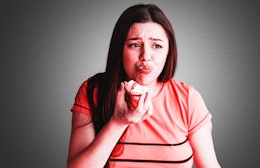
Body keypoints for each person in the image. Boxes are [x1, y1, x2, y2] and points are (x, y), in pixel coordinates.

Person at [67, 4, 221, 168]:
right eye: (134, 44)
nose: (146, 56)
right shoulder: (93, 91)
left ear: (169, 51)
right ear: (119, 49)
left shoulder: (188, 99)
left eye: (157, 46)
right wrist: (118, 123)